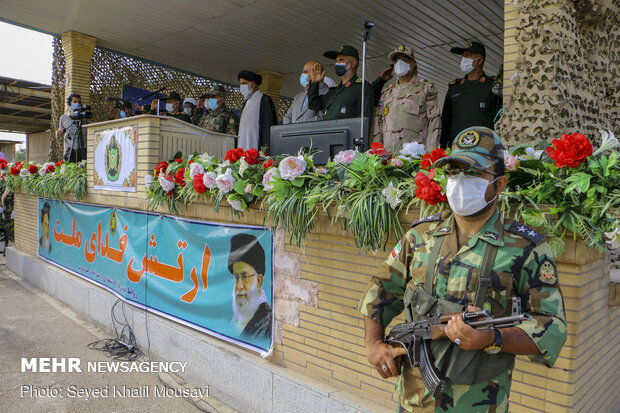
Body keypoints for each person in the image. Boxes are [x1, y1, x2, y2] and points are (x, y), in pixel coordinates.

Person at [359, 127, 567, 412]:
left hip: (479, 402)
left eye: (473, 173)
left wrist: (494, 338)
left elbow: (552, 325)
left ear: (500, 184)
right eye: (454, 172)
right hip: (414, 400)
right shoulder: (421, 235)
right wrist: (373, 344)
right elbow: (381, 289)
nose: (459, 181)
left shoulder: (526, 248)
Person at [372, 45, 441, 151]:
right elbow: (379, 124)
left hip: (414, 156)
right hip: (388, 157)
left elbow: (434, 122)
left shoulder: (426, 87)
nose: (399, 63)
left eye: (404, 59)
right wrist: (377, 153)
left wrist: (430, 154)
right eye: (396, 60)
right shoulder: (386, 92)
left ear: (413, 64)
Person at [440, 41, 502, 148]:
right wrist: (443, 148)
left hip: (483, 147)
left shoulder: (492, 87)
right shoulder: (454, 88)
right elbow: (446, 121)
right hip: (457, 147)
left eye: (468, 56)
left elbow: (499, 120)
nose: (464, 59)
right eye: (463, 56)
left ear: (480, 60)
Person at [307, 45, 374, 121]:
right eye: (336, 61)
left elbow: (365, 121)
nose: (337, 63)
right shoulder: (335, 90)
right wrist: (314, 83)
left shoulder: (362, 87)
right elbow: (313, 104)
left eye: (341, 60)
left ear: (353, 63)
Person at [228, 233, 272, 341]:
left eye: (244, 276)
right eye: (236, 277)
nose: (239, 286)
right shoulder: (236, 317)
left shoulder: (267, 323)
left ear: (259, 280)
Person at [237, 70, 277, 153]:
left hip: (258, 150)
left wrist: (265, 152)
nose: (241, 86)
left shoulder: (264, 100)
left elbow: (268, 126)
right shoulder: (246, 102)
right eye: (240, 84)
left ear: (253, 84)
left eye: (244, 83)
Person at [56, 93, 86, 162]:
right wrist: (58, 133)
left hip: (83, 149)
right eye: (74, 102)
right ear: (69, 103)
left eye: (79, 102)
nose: (77, 104)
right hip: (70, 149)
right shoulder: (64, 118)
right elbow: (60, 131)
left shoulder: (84, 117)